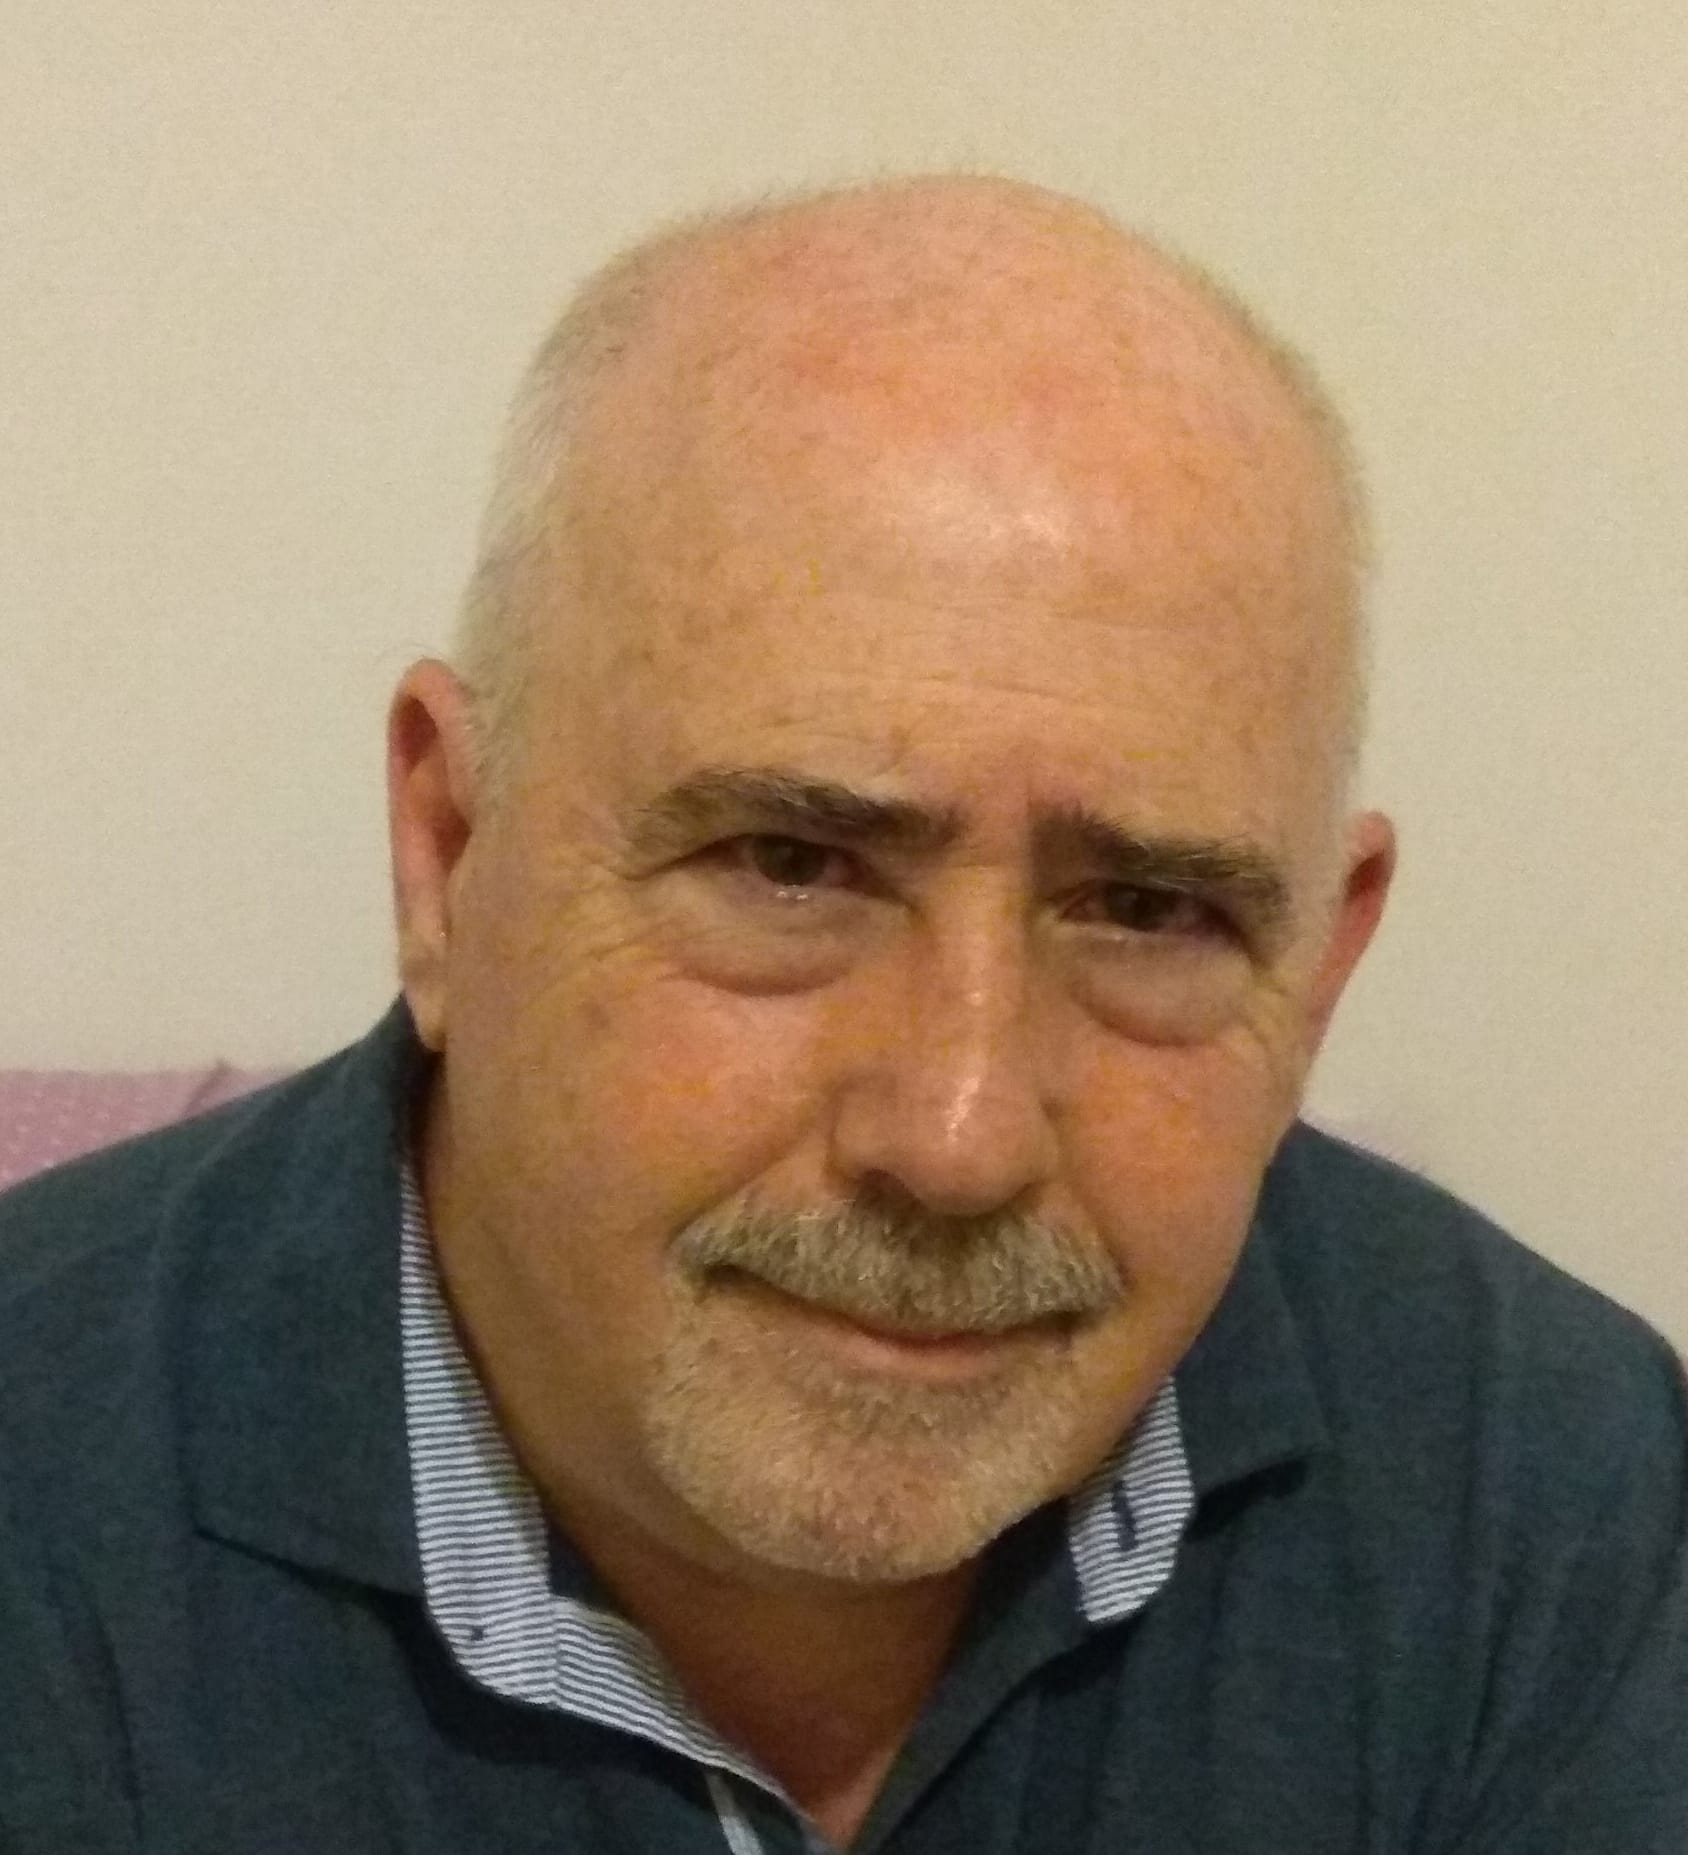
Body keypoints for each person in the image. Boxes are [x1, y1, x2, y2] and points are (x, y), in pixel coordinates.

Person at [1, 175, 1682, 1853]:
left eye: (1148, 911)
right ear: (447, 852)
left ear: (1318, 973)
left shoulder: (1549, 1498)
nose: (958, 1137)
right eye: (791, 866)